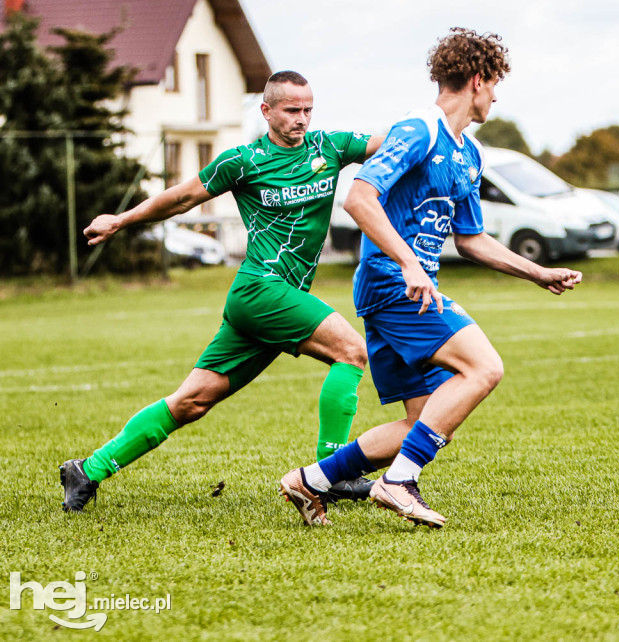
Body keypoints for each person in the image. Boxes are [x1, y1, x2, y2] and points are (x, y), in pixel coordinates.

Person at [277, 28, 583, 528]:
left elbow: (471, 238)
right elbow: (358, 197)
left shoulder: (469, 152)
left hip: (402, 288)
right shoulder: (417, 129)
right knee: (484, 368)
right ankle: (398, 483)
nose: (497, 96)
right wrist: (409, 263)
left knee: (420, 422)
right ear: (478, 80)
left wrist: (536, 272)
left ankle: (309, 481)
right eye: (495, 83)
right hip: (393, 284)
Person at [60, 71, 384, 512]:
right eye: (292, 110)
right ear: (266, 111)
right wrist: (120, 220)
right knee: (351, 350)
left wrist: (437, 126)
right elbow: (180, 198)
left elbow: (392, 142)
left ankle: (87, 470)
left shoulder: (330, 146)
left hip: (276, 301)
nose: (302, 119)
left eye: (308, 109)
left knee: (191, 402)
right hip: (260, 290)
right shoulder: (242, 160)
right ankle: (332, 473)